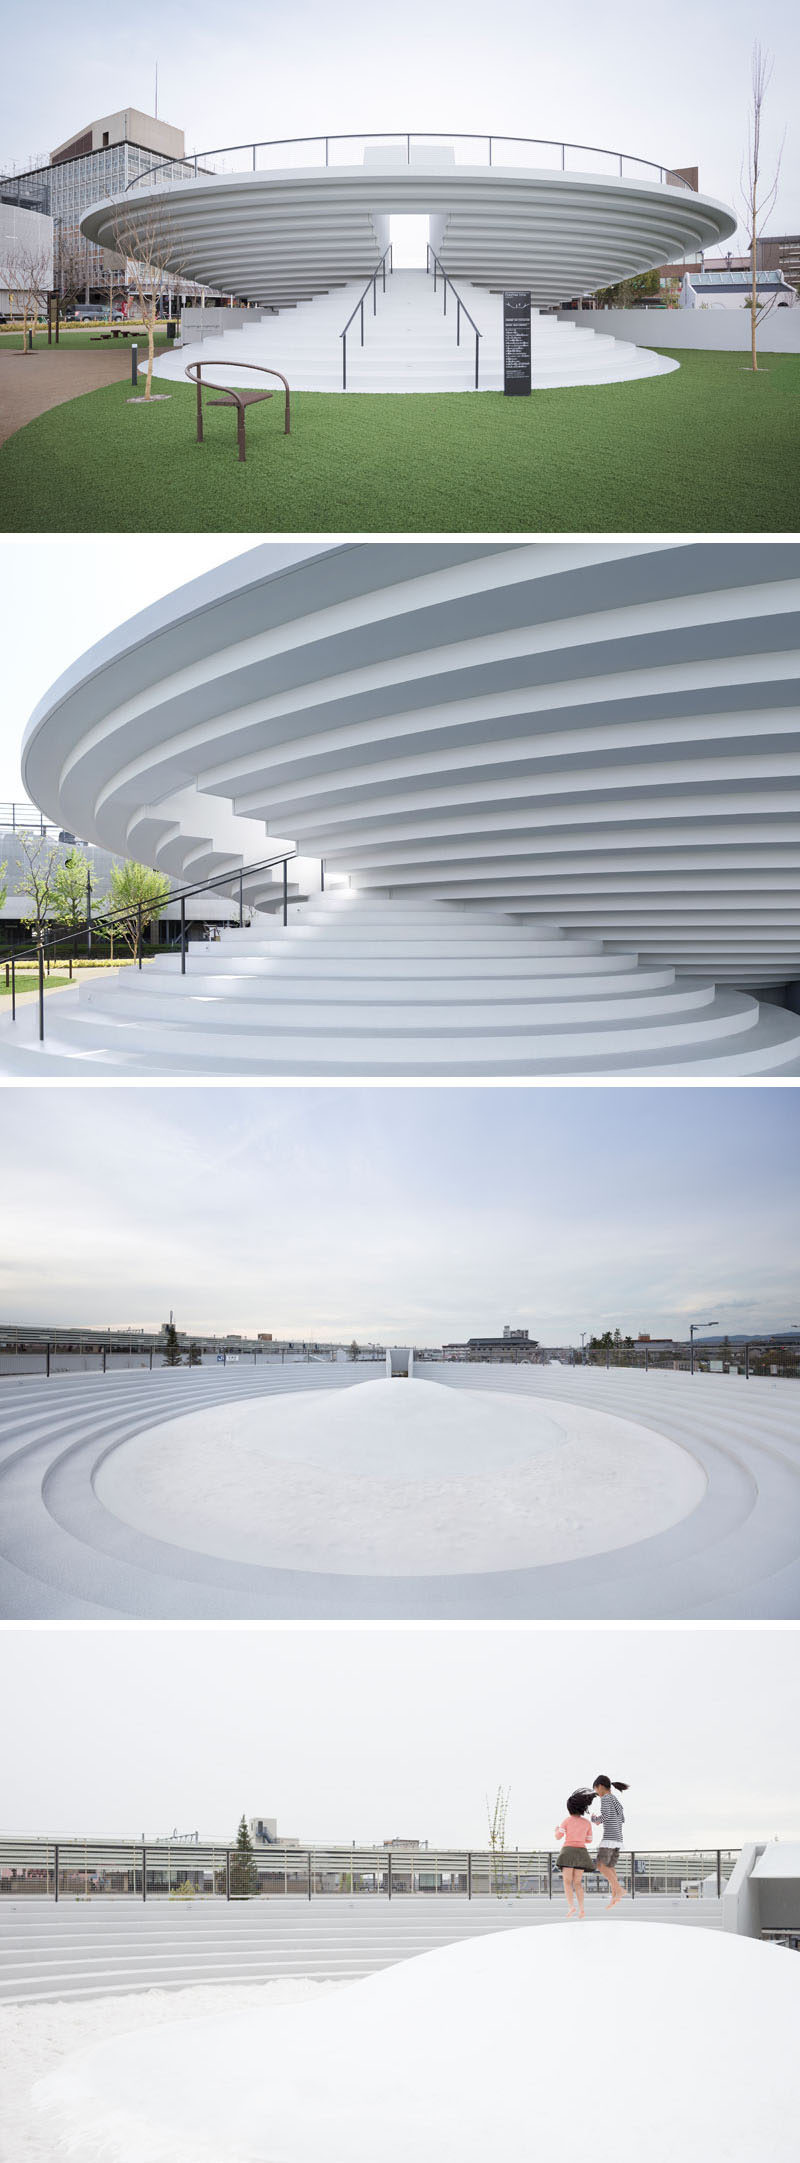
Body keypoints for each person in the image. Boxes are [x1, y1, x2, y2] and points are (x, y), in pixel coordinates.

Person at [555, 1788, 598, 1918]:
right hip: (581, 1852)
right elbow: (589, 1840)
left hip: (568, 1851)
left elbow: (558, 1836)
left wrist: (557, 1829)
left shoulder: (566, 1821)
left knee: (567, 1882)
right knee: (577, 1883)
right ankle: (582, 1909)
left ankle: (571, 1907)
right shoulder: (586, 1823)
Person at [591, 1776, 629, 1908]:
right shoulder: (616, 1800)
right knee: (610, 1867)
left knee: (601, 1865)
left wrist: (595, 1819)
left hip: (609, 1838)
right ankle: (615, 1895)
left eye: (596, 1790)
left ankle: (618, 1889)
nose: (597, 1793)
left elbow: (606, 1816)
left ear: (600, 1786)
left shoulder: (606, 1798)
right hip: (618, 1839)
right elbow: (622, 1819)